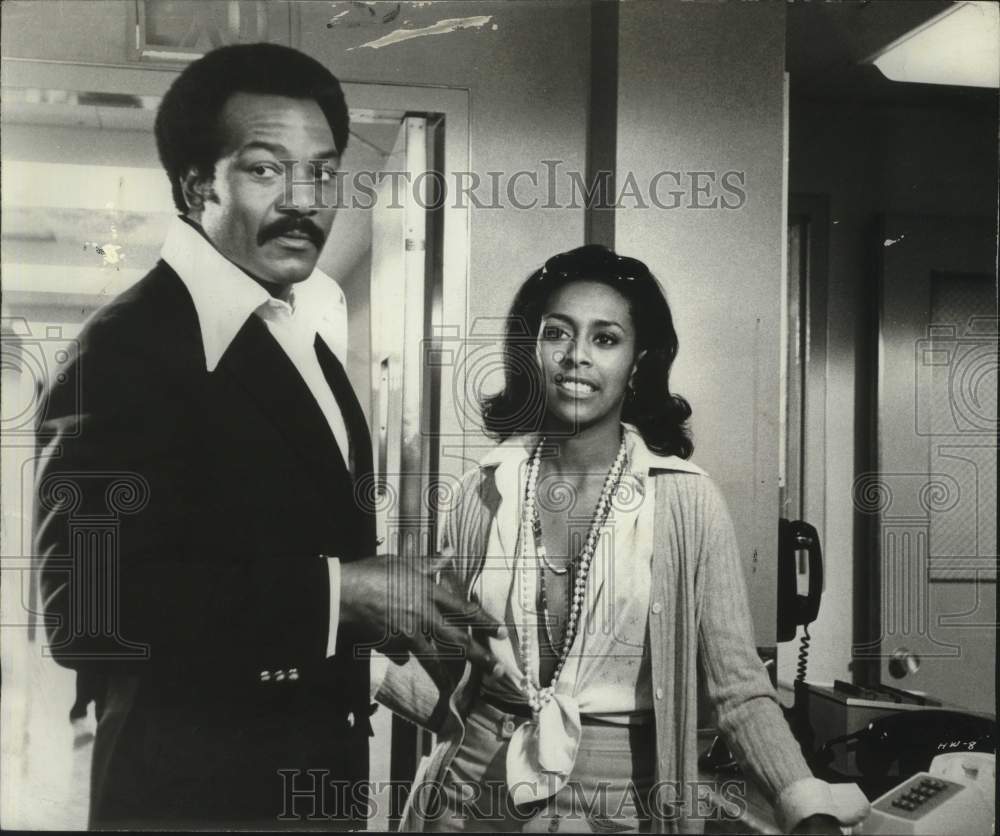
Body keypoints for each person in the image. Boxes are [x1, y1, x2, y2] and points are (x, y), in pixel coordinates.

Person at [34, 43, 502, 830]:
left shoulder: (299, 342)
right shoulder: (122, 348)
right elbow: (83, 609)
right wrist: (343, 592)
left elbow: (278, 574)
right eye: (264, 169)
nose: (305, 200)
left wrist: (427, 677)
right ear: (194, 185)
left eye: (323, 171)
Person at [376, 245, 865, 834]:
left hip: (626, 804)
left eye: (605, 339)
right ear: (533, 350)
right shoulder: (480, 491)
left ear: (638, 362)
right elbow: (454, 680)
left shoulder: (687, 502)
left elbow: (740, 690)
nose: (576, 357)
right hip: (470, 795)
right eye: (558, 334)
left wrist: (804, 804)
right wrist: (360, 666)